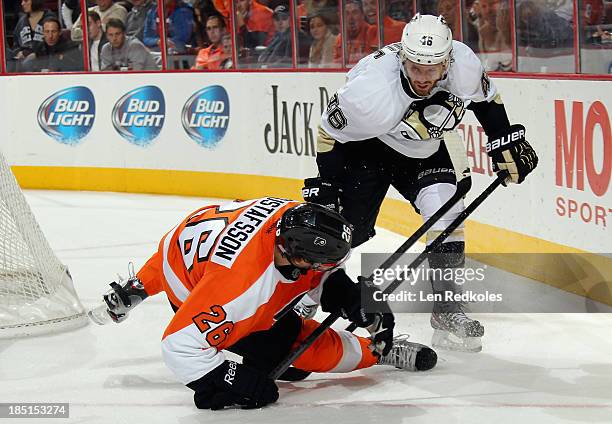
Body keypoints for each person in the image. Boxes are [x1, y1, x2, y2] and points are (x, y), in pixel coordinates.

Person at [301, 14, 538, 353]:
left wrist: (503, 139)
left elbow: (487, 100)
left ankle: (445, 309)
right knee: (344, 230)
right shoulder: (372, 93)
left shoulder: (464, 64)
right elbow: (329, 132)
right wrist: (330, 186)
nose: (423, 78)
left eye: (432, 69)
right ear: (402, 58)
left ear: (448, 61)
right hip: (368, 149)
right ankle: (307, 295)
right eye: (415, 68)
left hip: (424, 151)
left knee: (447, 214)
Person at [89, 199, 437, 409]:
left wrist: (353, 297)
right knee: (294, 358)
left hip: (193, 240)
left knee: (291, 353)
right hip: (197, 277)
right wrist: (226, 379)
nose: (324, 270)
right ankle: (372, 351)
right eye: (319, 266)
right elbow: (178, 346)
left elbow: (319, 274)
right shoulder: (241, 290)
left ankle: (139, 285)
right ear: (297, 257)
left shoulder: (291, 217)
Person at [11, 0, 56, 66]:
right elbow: (15, 43)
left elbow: (55, 45)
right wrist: (18, 53)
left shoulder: (51, 19)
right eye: (22, 1)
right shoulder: (21, 21)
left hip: (46, 64)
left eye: (26, 1)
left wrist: (36, 54)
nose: (22, 3)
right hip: (23, 66)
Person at [333, 0, 378, 65]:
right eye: (347, 13)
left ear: (362, 15)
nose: (351, 18)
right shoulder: (340, 38)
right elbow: (335, 64)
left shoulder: (373, 32)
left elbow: (374, 60)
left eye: (355, 12)